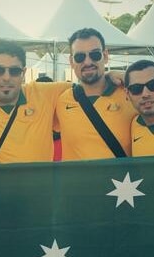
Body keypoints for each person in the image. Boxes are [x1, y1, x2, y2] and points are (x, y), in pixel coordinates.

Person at [54, 27, 137, 161]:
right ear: (71, 61)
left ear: (105, 56)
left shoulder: (132, 94)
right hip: (77, 182)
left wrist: (130, 79)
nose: (87, 62)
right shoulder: (61, 100)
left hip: (122, 182)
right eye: (80, 57)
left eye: (95, 55)